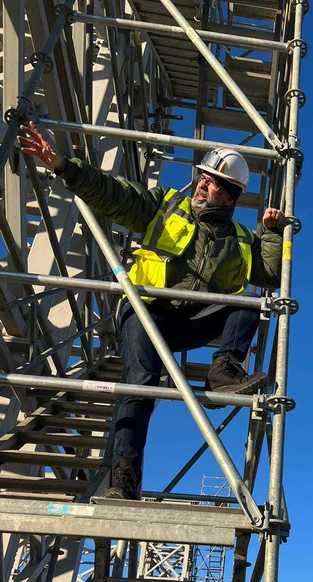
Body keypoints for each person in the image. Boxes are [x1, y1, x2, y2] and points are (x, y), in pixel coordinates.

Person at [17, 122, 285, 500]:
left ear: (230, 197)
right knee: (141, 382)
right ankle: (123, 480)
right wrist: (63, 165)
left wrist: (271, 232)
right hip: (145, 311)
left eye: (212, 184)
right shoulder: (166, 206)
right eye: (202, 179)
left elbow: (270, 274)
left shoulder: (240, 239)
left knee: (251, 304)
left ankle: (224, 369)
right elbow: (115, 195)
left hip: (188, 321)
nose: (202, 187)